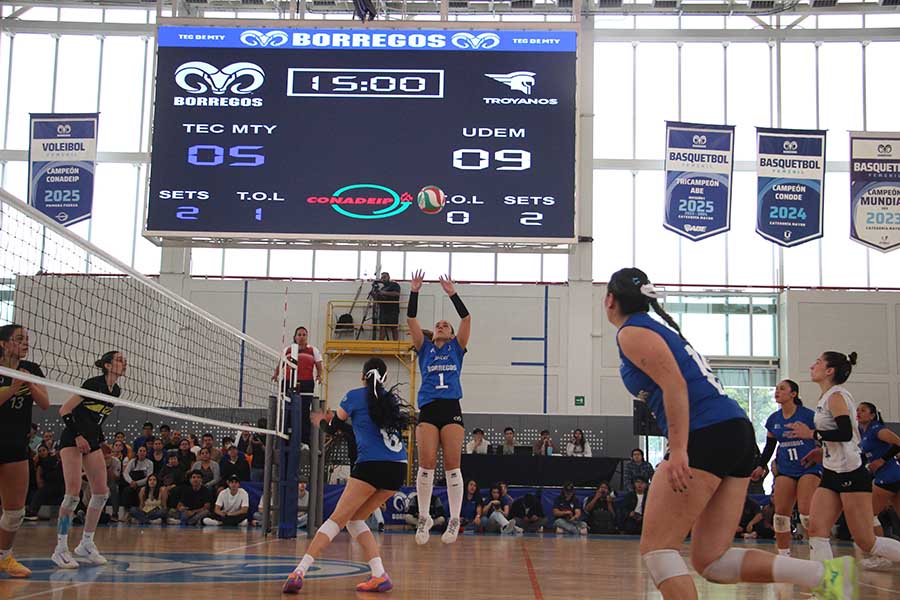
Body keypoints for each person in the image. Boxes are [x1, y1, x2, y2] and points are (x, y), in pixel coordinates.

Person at [605, 267, 855, 599]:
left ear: (610, 300)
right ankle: (824, 575)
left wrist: (678, 449)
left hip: (705, 434)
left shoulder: (632, 332)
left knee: (657, 550)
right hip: (733, 431)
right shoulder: (656, 329)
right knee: (713, 561)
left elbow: (675, 385)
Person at [283, 357, 409, 594]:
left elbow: (333, 427)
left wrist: (322, 421)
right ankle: (379, 574)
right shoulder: (389, 400)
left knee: (337, 519)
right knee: (355, 519)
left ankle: (299, 570)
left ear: (363, 376)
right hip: (398, 467)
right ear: (385, 379)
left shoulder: (354, 395)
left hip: (371, 464)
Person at [787, 352, 900, 571]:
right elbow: (836, 440)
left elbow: (845, 433)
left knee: (866, 541)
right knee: (816, 530)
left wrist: (811, 434)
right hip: (831, 472)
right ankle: (827, 589)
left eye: (818, 362)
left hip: (851, 473)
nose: (812, 365)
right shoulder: (826, 396)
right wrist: (819, 452)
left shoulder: (837, 396)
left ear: (830, 371)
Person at [406, 270, 471, 545]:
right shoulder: (424, 348)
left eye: (446, 324)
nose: (442, 325)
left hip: (451, 407)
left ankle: (454, 519)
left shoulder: (457, 348)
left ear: (453, 334)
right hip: (429, 408)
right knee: (427, 464)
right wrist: (415, 291)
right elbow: (411, 319)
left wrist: (452, 293)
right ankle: (424, 517)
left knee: (452, 466)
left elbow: (466, 318)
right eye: (439, 324)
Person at [53, 350, 126, 569]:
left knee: (102, 492)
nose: (124, 363)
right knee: (72, 495)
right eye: (120, 360)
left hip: (92, 442)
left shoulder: (116, 390)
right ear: (106, 365)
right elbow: (65, 410)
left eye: (124, 360)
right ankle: (60, 548)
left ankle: (86, 543)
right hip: (72, 440)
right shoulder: (92, 384)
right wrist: (77, 435)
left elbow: (96, 420)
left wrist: (101, 441)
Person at [0, 324, 50, 577]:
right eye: (19, 339)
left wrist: (29, 383)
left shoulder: (32, 370)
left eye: (27, 339)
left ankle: (4, 558)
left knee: (15, 511)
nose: (25, 343)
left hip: (16, 445)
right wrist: (12, 386)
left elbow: (45, 403)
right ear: (4, 343)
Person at [750, 379, 821, 556]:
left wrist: (820, 451)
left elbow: (822, 438)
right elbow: (769, 447)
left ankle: (818, 549)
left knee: (806, 512)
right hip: (785, 468)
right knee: (780, 514)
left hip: (808, 467)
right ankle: (783, 554)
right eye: (776, 389)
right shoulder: (774, 419)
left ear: (793, 394)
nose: (777, 391)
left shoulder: (808, 415)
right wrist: (761, 466)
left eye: (782, 389)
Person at [857, 401, 900, 569]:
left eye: (863, 410)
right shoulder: (862, 431)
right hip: (891, 476)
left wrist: (882, 460)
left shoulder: (878, 429)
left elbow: (898, 443)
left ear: (872, 415)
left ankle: (881, 556)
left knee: (868, 517)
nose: (859, 412)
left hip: (888, 477)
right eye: (858, 410)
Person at [273, 326, 323, 448]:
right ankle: (286, 439)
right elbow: (281, 364)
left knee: (304, 413)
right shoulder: (288, 350)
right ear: (295, 337)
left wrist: (320, 376)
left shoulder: (313, 350)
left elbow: (319, 365)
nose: (301, 337)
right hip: (289, 383)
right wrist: (276, 374)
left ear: (307, 337)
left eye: (304, 335)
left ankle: (304, 441)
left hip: (306, 383)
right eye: (299, 335)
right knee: (288, 411)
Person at [374, 272, 402, 341]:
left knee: (394, 328)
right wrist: (374, 295)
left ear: (389, 277)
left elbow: (397, 293)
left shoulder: (394, 285)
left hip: (393, 310)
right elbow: (379, 300)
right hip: (383, 311)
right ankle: (380, 347)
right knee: (382, 328)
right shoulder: (382, 288)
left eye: (384, 277)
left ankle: (395, 346)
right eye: (382, 277)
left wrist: (383, 293)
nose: (383, 279)